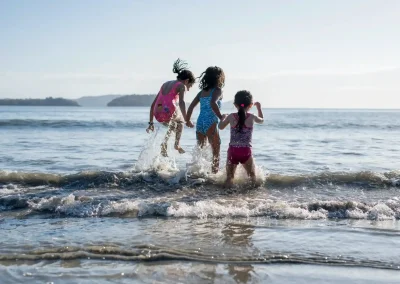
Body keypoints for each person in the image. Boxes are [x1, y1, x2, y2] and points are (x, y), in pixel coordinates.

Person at [146, 59, 195, 157]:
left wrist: (151, 123)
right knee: (180, 121)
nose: (188, 89)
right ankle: (176, 145)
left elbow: (153, 104)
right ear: (187, 81)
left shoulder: (165, 84)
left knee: (172, 125)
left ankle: (164, 144)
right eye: (190, 86)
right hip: (168, 110)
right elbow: (181, 103)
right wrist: (187, 119)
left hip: (157, 111)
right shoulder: (182, 85)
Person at [218, 90, 264, 187]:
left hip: (232, 150)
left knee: (230, 177)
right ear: (251, 105)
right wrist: (259, 108)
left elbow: (220, 127)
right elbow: (261, 121)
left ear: (235, 104)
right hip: (246, 151)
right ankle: (252, 197)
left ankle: (225, 197)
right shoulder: (252, 117)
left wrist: (223, 118)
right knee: (252, 177)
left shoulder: (231, 116)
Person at [186, 66, 225, 173]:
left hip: (200, 123)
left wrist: (188, 120)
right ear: (219, 78)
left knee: (200, 151)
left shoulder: (202, 92)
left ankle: (196, 173)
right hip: (210, 122)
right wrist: (221, 117)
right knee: (216, 152)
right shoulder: (218, 91)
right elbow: (213, 103)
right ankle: (213, 176)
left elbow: (191, 107)